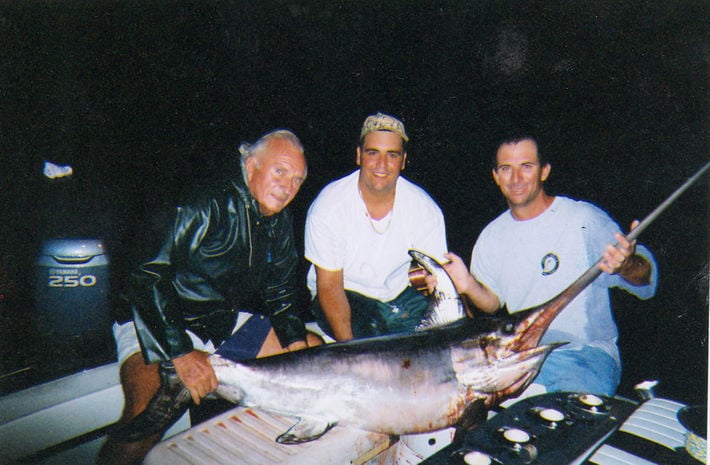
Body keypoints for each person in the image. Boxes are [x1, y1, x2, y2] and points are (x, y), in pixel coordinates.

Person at [97, 129, 320, 465]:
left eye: (297, 179)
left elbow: (281, 288)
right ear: (250, 165)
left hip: (218, 321)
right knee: (146, 414)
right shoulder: (206, 200)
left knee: (313, 352)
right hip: (155, 319)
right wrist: (182, 353)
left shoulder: (279, 217)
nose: (288, 186)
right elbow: (146, 276)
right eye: (280, 171)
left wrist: (294, 343)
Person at [441, 135, 657, 396]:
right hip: (521, 357)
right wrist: (468, 285)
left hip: (583, 356)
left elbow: (647, 282)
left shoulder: (583, 220)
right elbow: (492, 302)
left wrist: (627, 264)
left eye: (526, 166)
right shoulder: (491, 236)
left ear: (544, 171)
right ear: (496, 176)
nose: (516, 178)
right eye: (506, 169)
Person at [304, 112, 448, 341]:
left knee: (440, 339)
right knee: (374, 342)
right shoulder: (329, 206)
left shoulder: (424, 209)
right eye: (373, 153)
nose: (382, 164)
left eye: (392, 155)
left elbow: (441, 278)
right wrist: (350, 350)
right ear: (359, 155)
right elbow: (330, 287)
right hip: (345, 293)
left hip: (398, 295)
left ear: (403, 160)